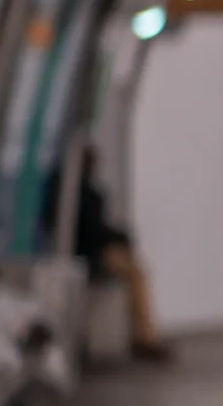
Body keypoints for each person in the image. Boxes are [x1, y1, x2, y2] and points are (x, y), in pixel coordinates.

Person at [69, 146, 171, 363]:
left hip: (91, 251)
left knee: (138, 272)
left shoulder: (79, 192)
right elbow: (92, 231)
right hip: (91, 255)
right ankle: (144, 337)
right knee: (137, 274)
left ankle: (144, 335)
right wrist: (120, 237)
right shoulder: (85, 195)